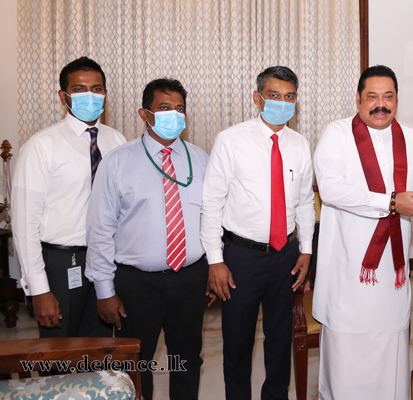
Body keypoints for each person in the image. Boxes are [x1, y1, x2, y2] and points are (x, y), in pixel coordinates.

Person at [312, 65, 413, 400]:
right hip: (347, 269)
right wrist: (390, 202)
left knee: (390, 347)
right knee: (346, 351)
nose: (380, 104)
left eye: (388, 97)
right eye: (372, 96)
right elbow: (331, 190)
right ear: (358, 99)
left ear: (398, 101)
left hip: (392, 276)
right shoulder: (337, 134)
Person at [85, 78, 212, 400]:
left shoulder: (201, 160)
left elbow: (212, 220)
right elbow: (100, 229)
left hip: (190, 277)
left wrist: (212, 269)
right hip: (136, 283)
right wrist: (104, 290)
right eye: (164, 108)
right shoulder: (118, 162)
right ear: (145, 113)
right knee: (135, 364)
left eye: (179, 109)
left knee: (186, 359)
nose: (174, 115)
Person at [201, 66, 315, 400]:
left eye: (289, 96)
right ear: (258, 97)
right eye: (274, 95)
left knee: (281, 337)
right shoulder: (231, 140)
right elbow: (211, 204)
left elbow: (305, 201)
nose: (283, 103)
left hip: (286, 256)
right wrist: (215, 261)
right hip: (241, 257)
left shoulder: (299, 144)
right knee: (238, 340)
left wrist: (306, 250)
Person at [12, 56, 126, 337]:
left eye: (97, 88)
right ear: (64, 96)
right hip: (62, 262)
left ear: (105, 94)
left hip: (105, 260)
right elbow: (24, 224)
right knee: (59, 356)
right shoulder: (42, 145)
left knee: (100, 350)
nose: (90, 95)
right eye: (79, 89)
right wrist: (39, 289)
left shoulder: (117, 141)